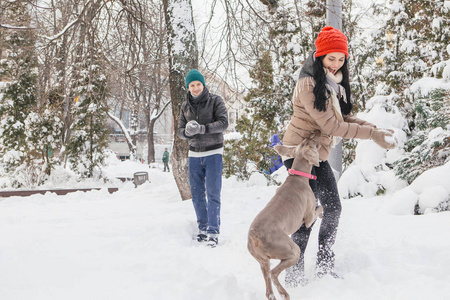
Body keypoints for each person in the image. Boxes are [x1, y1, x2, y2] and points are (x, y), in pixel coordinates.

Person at [282, 26, 396, 285]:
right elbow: (332, 127)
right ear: (320, 56)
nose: (336, 64)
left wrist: (375, 129)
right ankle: (294, 273)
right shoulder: (308, 84)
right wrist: (373, 136)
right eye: (330, 58)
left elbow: (341, 117)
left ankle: (324, 266)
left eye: (341, 58)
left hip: (317, 154)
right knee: (306, 216)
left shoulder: (332, 82)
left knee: (333, 208)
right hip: (299, 154)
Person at [177, 69, 229, 248]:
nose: (196, 88)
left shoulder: (215, 100)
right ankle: (203, 227)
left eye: (198, 84)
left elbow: (223, 123)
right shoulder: (184, 106)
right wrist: (187, 132)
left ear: (203, 84)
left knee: (213, 193)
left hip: (213, 153)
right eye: (192, 85)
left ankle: (213, 231)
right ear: (188, 87)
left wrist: (202, 129)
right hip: (194, 155)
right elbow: (179, 131)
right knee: (197, 195)